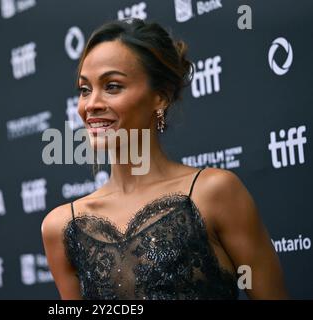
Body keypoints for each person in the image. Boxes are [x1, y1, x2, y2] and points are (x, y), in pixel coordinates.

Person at [41, 18, 288, 299]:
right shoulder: (62, 226)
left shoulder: (214, 193)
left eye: (112, 86)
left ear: (161, 97)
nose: (92, 104)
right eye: (85, 90)